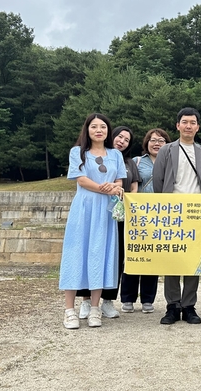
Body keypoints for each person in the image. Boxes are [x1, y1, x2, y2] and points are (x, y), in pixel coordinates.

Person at [59, 113, 125, 329]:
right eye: (94, 126)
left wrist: (114, 187)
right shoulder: (78, 152)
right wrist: (103, 188)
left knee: (101, 254)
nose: (99, 130)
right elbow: (80, 179)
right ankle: (70, 310)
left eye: (103, 127)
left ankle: (95, 308)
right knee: (76, 252)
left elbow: (119, 181)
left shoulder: (115, 154)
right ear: (87, 129)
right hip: (84, 209)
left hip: (105, 211)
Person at [152, 107, 201, 325]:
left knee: (193, 259)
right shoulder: (166, 150)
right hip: (172, 209)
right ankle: (172, 305)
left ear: (198, 126)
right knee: (172, 258)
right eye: (184, 122)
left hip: (197, 210)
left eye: (193, 122)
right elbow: (158, 181)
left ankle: (189, 305)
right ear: (177, 125)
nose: (188, 126)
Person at [77, 126, 139, 320]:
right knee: (89, 252)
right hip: (95, 210)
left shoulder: (128, 162)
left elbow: (134, 186)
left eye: (126, 140)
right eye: (119, 136)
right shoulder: (87, 155)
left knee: (114, 256)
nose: (122, 141)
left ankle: (108, 300)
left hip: (118, 214)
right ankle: (86, 299)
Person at [120, 128, 171, 313]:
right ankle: (127, 298)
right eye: (153, 140)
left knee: (153, 256)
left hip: (160, 215)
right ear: (146, 143)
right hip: (137, 215)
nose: (156, 143)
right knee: (133, 255)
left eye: (161, 140)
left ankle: (148, 299)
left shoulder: (170, 162)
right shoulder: (137, 161)